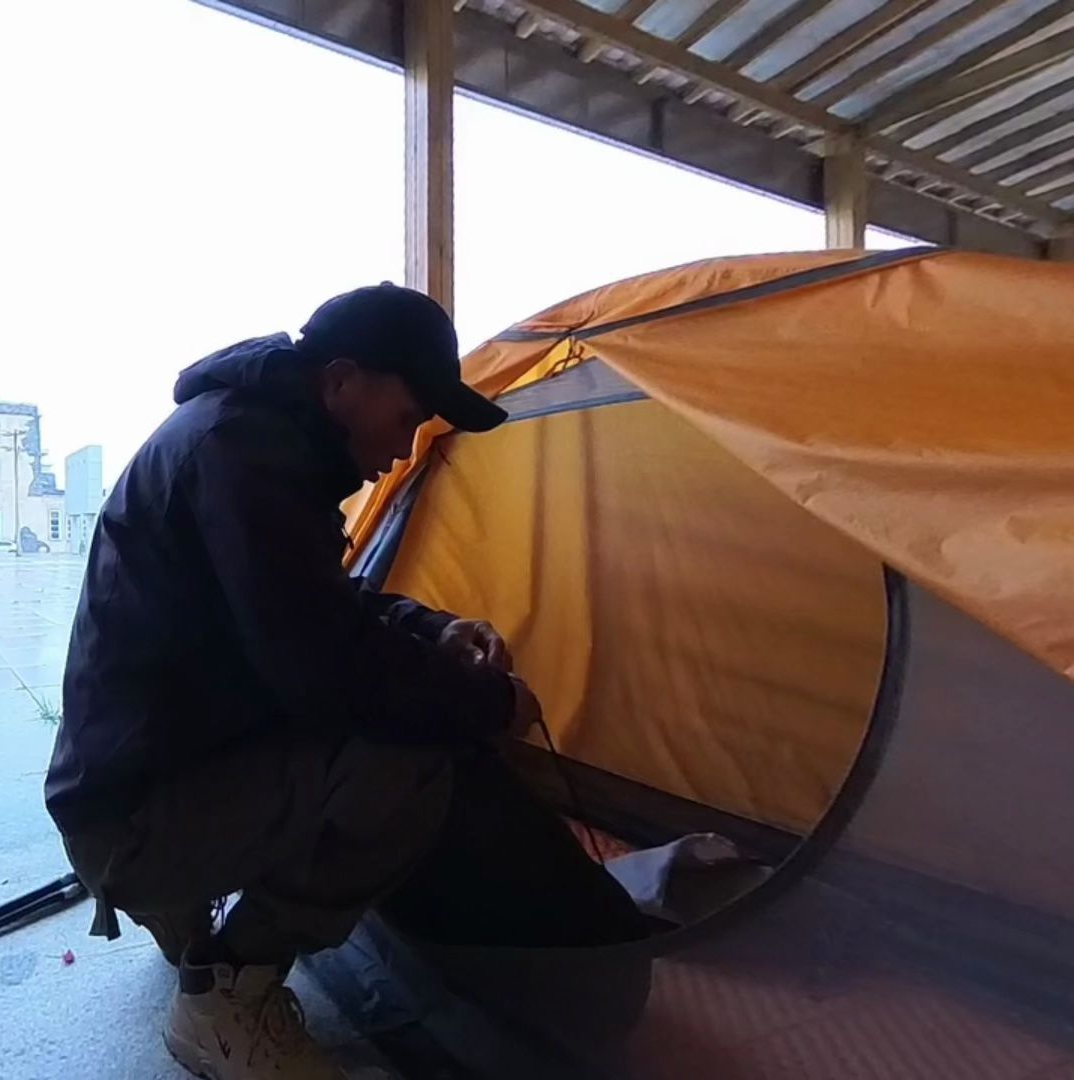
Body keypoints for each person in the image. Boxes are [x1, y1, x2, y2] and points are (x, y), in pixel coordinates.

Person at [45, 284, 645, 1080]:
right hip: (134, 818)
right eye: (406, 419)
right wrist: (492, 705)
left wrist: (432, 629)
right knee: (410, 761)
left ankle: (184, 913)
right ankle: (226, 996)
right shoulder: (245, 457)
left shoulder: (253, 438)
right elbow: (331, 670)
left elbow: (317, 604)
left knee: (396, 715)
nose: (405, 450)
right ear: (341, 381)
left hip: (142, 775)